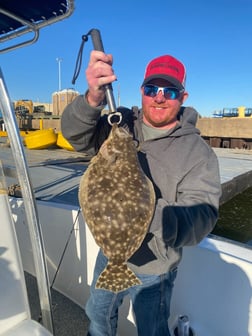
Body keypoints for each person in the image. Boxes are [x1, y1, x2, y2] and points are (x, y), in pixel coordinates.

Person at [61, 52, 222, 336]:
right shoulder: (119, 123)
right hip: (110, 254)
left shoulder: (199, 154)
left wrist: (142, 211)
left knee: (151, 329)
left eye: (169, 91)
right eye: (152, 89)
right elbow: (76, 136)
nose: (159, 97)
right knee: (98, 317)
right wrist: (93, 99)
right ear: (142, 91)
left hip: (156, 267)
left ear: (182, 97)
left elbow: (202, 218)